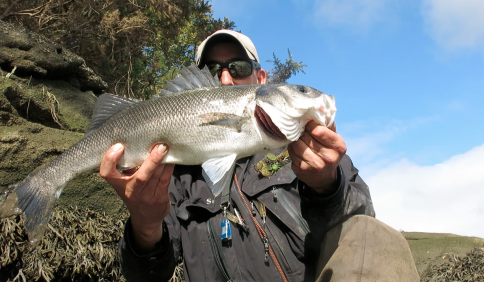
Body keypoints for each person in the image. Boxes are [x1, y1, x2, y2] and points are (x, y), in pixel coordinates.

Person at [99, 30, 420, 281]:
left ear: (261, 79)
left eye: (237, 67)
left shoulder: (310, 152)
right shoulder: (171, 176)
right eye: (212, 71)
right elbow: (146, 276)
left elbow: (361, 227)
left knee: (376, 236)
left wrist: (326, 185)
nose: (225, 78)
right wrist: (145, 225)